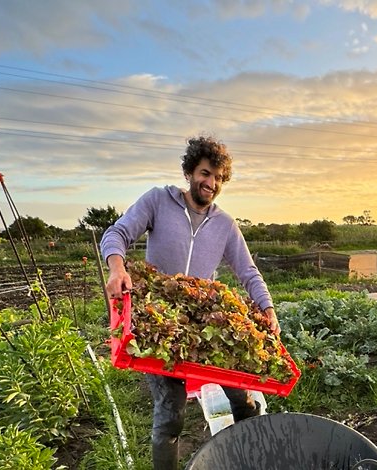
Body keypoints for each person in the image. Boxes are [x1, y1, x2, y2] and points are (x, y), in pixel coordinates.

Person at [100, 135, 280, 470]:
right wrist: (117, 266)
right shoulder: (157, 201)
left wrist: (267, 308)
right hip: (157, 321)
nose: (210, 183)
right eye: (204, 173)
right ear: (189, 171)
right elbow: (116, 234)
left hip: (202, 322)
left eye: (217, 178)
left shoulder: (225, 224)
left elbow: (248, 272)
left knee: (243, 399)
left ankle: (251, 459)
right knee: (171, 414)